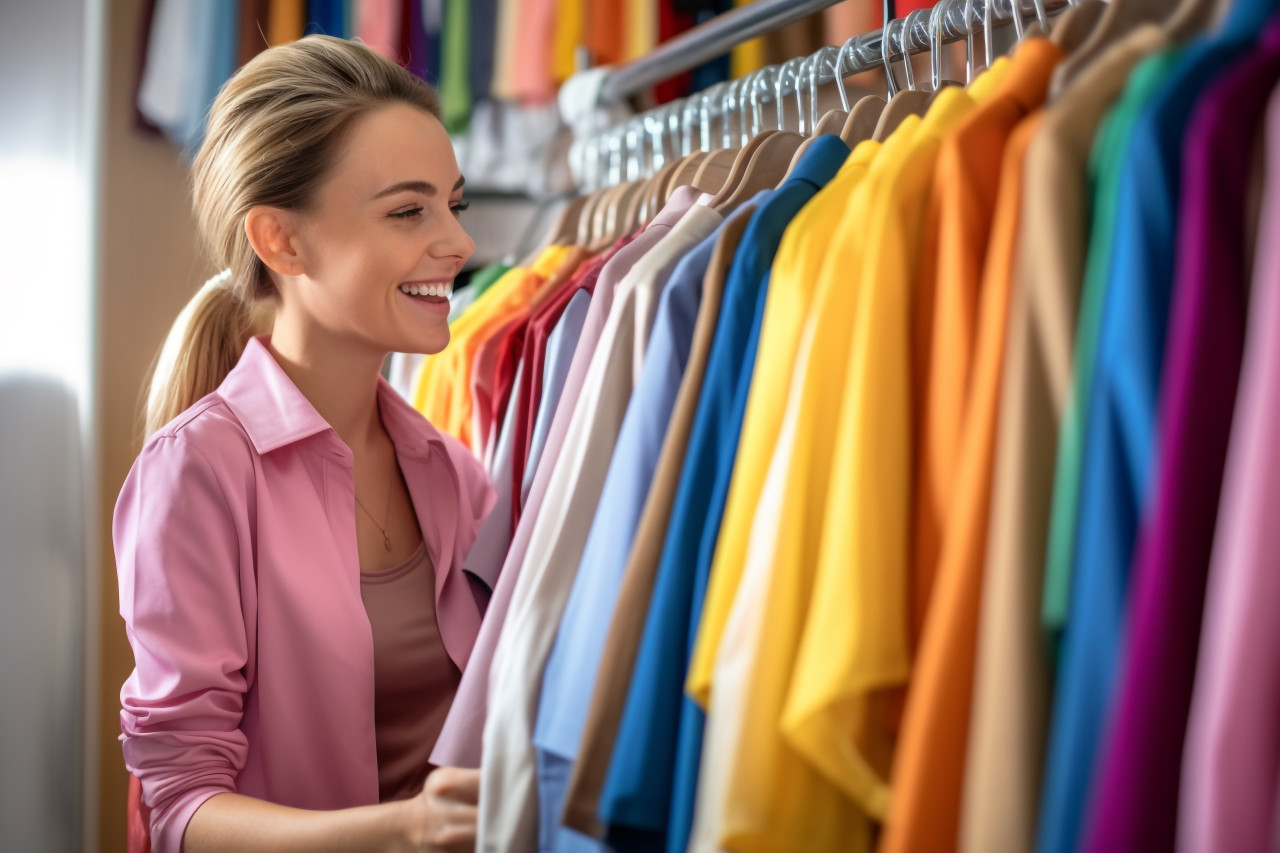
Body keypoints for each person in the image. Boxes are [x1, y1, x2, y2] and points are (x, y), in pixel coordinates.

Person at [114, 35, 494, 853]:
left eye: (453, 205)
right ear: (281, 241)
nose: (459, 245)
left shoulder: (455, 472)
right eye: (408, 210)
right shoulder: (199, 472)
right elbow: (180, 805)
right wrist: (407, 829)